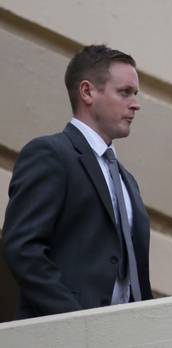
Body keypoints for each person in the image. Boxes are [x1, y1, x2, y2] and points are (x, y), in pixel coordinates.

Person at [2, 45, 152, 318]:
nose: (135, 103)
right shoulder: (50, 154)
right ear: (87, 92)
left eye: (135, 93)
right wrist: (77, 322)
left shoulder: (127, 180)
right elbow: (23, 249)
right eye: (124, 92)